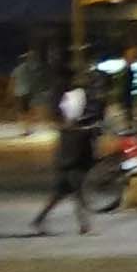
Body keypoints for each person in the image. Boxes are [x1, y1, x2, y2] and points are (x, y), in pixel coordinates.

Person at [30, 77, 98, 238]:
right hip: (74, 168)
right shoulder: (81, 133)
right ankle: (85, 227)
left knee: (59, 196)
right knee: (78, 196)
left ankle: (39, 220)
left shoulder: (66, 131)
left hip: (63, 167)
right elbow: (86, 152)